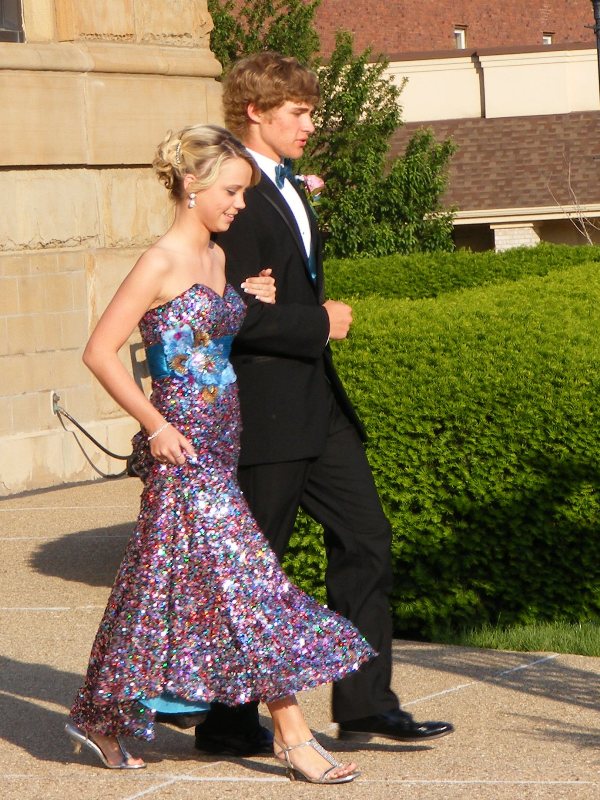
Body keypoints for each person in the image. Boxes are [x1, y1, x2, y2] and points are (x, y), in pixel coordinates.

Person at [65, 123, 375, 784]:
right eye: (231, 191)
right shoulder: (160, 261)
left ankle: (99, 716)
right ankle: (294, 736)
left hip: (225, 442)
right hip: (184, 454)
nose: (239, 204)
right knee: (249, 586)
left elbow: (213, 330)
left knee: (150, 589)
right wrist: (154, 425)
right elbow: (99, 351)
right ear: (191, 185)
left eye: (243, 192)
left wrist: (248, 300)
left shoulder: (215, 256)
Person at [193, 52, 455, 757]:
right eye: (299, 112)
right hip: (265, 411)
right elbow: (227, 313)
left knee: (366, 540)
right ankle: (225, 721)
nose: (311, 124)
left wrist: (300, 314)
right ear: (256, 111)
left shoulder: (286, 185)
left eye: (311, 111)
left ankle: (366, 706)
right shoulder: (232, 192)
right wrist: (319, 322)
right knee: (255, 564)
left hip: (319, 404)